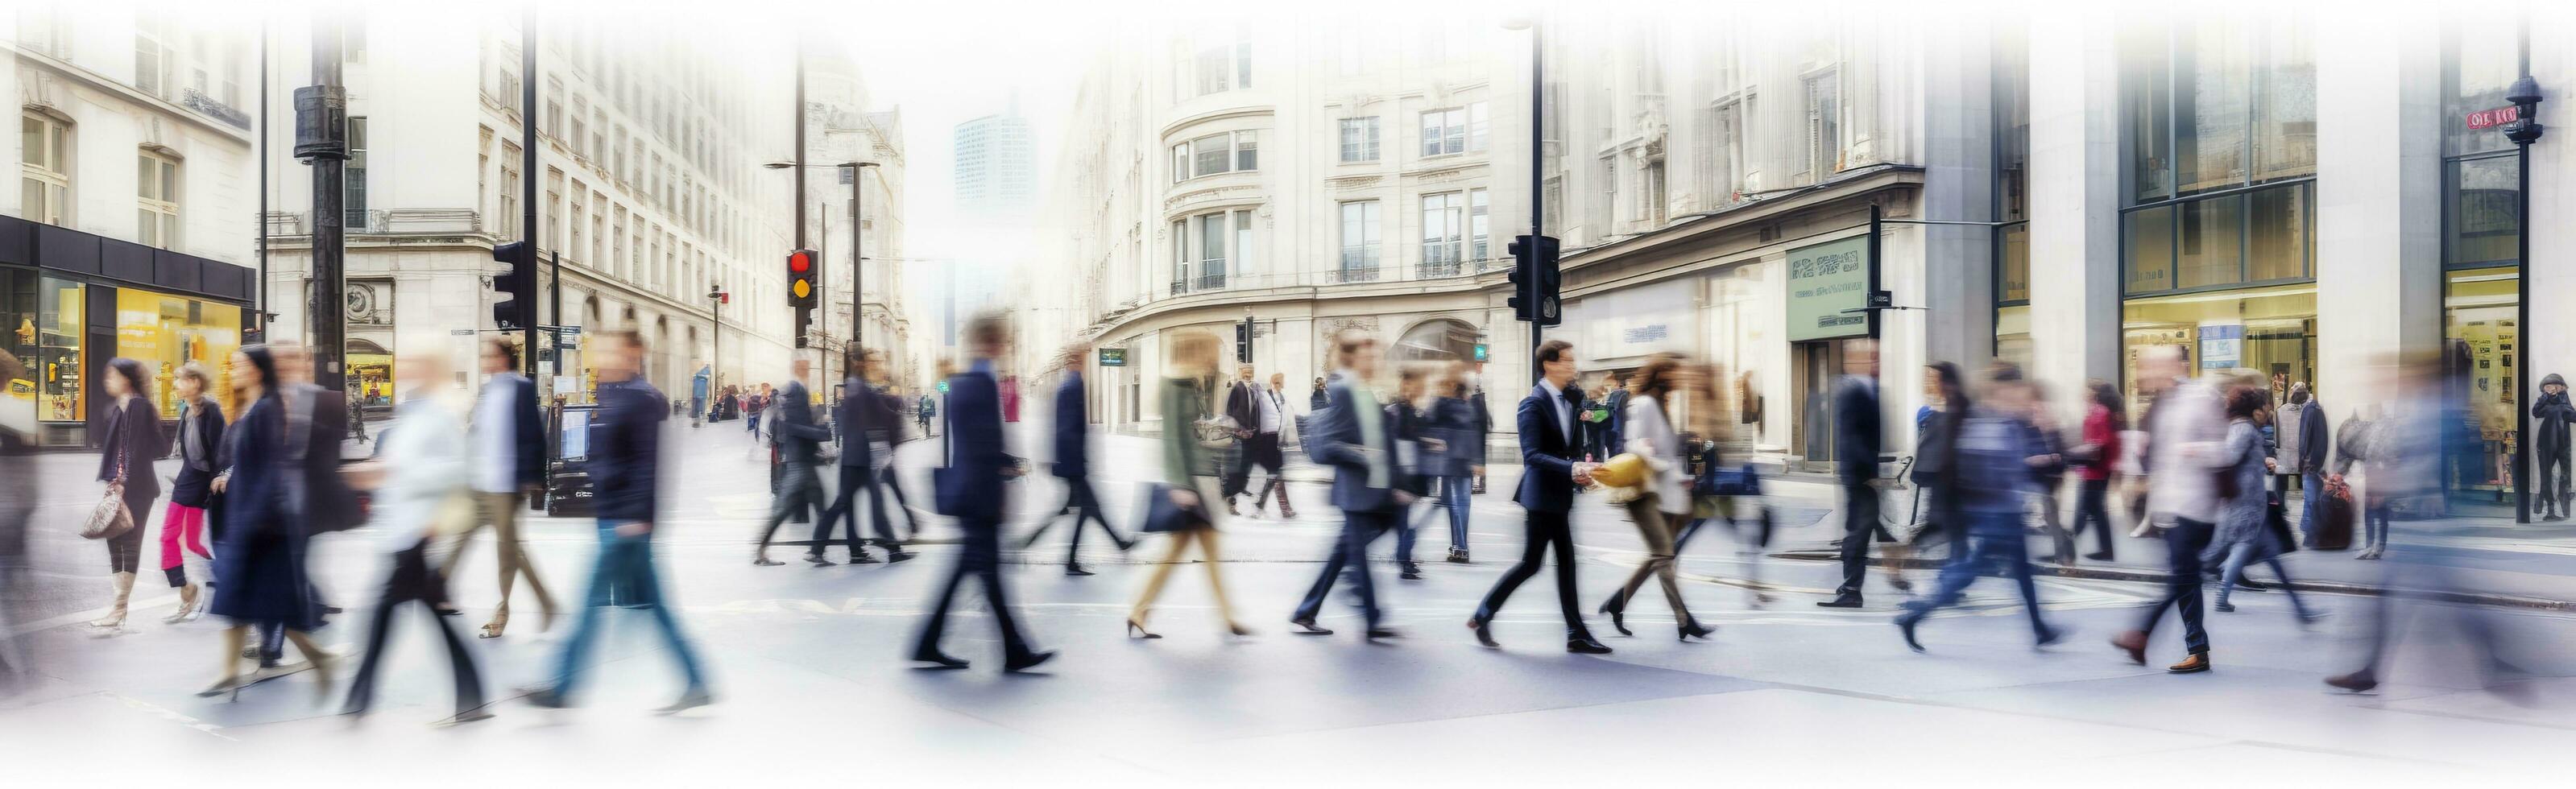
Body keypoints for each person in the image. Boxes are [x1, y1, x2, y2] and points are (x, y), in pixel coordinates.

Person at [526, 330, 713, 713]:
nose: (605, 360)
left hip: (625, 522)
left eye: (613, 352)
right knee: (656, 608)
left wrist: (638, 515)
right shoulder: (619, 396)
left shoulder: (642, 399)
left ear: (633, 356)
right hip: (616, 517)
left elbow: (648, 462)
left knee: (591, 604)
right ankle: (696, 681)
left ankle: (563, 688)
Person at [338, 344, 491, 724]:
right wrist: (378, 470)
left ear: (431, 367)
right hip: (403, 531)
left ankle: (359, 697)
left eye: (413, 360)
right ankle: (469, 698)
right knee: (411, 617)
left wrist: (393, 473)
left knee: (382, 618)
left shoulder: (440, 412)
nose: (403, 365)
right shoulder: (414, 409)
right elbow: (404, 464)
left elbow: (455, 469)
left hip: (418, 532)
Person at [913, 314, 1054, 672]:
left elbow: (976, 442)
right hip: (979, 496)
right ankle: (1012, 649)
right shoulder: (981, 382)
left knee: (973, 573)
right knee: (989, 576)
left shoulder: (965, 382)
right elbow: (982, 446)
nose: (1007, 347)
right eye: (1005, 341)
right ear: (993, 343)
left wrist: (1009, 463)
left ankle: (930, 642)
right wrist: (1003, 483)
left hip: (972, 492)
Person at [199, 345, 335, 701]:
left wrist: (251, 520)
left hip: (264, 527)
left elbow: (272, 471)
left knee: (263, 603)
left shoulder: (268, 408)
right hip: (251, 521)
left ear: (258, 370)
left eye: (240, 365)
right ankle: (230, 672)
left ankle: (319, 658)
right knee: (238, 600)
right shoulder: (253, 407)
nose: (233, 370)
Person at [1895, 364, 2062, 651]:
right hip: (1996, 513)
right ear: (2002, 389)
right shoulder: (1988, 421)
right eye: (2015, 388)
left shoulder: (2001, 419)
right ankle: (1914, 613)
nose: (2021, 394)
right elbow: (1991, 469)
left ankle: (2040, 628)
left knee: (2022, 573)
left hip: (2004, 509)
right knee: (1966, 572)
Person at [1466, 339, 1613, 654]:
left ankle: (1573, 632)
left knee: (1550, 564)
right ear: (1549, 364)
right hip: (1541, 496)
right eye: (1567, 361)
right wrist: (1571, 468)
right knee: (1538, 564)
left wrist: (1580, 470)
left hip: (1558, 494)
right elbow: (1532, 456)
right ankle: (1489, 614)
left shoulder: (1570, 400)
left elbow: (1569, 447)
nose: (1573, 366)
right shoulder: (1532, 404)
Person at [1289, 329, 1411, 640]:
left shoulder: (1363, 390)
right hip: (1355, 490)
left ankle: (1307, 610)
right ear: (1352, 358)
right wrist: (1362, 456)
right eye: (1368, 356)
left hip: (1374, 488)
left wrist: (1395, 481)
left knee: (1344, 553)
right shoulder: (1344, 389)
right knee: (1356, 556)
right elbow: (1328, 444)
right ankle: (1372, 619)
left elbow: (1381, 439)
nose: (1375, 361)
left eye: (1376, 356)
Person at [1126, 333, 1250, 639]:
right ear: (1195, 350)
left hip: (1201, 479)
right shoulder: (1173, 384)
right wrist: (1180, 484)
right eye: (1210, 349)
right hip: (1190, 483)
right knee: (1200, 554)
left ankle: (1140, 612)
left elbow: (1197, 430)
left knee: (1190, 553)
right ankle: (1227, 616)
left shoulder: (1196, 383)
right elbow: (1172, 439)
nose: (1215, 356)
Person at [2111, 345, 2225, 674]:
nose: (2147, 374)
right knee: (2186, 579)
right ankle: (2196, 649)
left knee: (2183, 578)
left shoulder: (2201, 398)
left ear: (2179, 365)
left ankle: (2142, 633)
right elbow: (2152, 458)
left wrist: (2194, 449)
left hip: (2197, 505)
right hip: (2171, 506)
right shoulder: (2160, 406)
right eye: (2144, 368)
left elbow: (2224, 449)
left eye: (2154, 367)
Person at [1597, 354, 1717, 641]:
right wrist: (1662, 463)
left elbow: (1664, 450)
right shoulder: (1643, 404)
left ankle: (1618, 602)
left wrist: (1681, 476)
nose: (1679, 380)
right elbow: (1635, 444)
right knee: (1664, 555)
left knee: (1660, 555)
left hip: (1666, 490)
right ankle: (1684, 619)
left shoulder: (1663, 405)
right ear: (1661, 375)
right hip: (1645, 492)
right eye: (1675, 374)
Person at [443, 337, 557, 638]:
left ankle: (528, 606)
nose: (485, 360)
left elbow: (535, 436)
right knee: (461, 536)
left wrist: (535, 480)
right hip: (479, 483)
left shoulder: (520, 388)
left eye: (490, 355)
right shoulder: (487, 391)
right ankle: (436, 588)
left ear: (504, 358)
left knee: (508, 554)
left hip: (505, 485)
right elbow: (477, 435)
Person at [2209, 386, 2318, 621]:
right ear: (2255, 410)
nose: (2269, 409)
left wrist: (2263, 462)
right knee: (2247, 551)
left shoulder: (2245, 429)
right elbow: (2230, 458)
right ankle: (2221, 591)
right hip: (2248, 504)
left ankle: (2302, 610)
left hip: (2253, 504)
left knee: (2271, 558)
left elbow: (2240, 460)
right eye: (2265, 405)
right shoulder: (2245, 430)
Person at [1024, 342, 1129, 574]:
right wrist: (1076, 465)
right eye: (1083, 357)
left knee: (1085, 509)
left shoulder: (1067, 384)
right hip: (1072, 463)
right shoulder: (1073, 385)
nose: (1085, 361)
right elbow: (1068, 429)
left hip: (1069, 462)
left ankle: (1107, 548)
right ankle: (1114, 546)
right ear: (1076, 360)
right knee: (1089, 508)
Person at [812, 350, 914, 565]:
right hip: (860, 458)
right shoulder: (859, 388)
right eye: (871, 361)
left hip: (855, 457)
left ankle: (849, 551)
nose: (875, 365)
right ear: (860, 363)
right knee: (867, 504)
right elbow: (881, 415)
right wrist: (900, 431)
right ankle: (891, 549)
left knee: (845, 505)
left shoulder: (856, 386)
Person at [89, 357, 168, 630]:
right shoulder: (119, 408)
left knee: (129, 543)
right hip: (118, 484)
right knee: (115, 540)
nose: (107, 379)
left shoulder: (139, 406)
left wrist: (123, 479)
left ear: (127, 378)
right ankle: (118, 608)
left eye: (113, 374)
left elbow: (142, 448)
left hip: (137, 487)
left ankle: (119, 609)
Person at [1820, 339, 1882, 609]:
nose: (1878, 363)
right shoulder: (1852, 391)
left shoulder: (1870, 389)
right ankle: (1851, 590)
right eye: (1873, 357)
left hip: (1864, 475)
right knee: (1858, 533)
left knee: (1861, 532)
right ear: (1855, 361)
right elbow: (1851, 437)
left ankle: (1852, 589)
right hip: (1859, 476)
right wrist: (1867, 472)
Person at [159, 362, 223, 623]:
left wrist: (217, 483)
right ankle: (185, 588)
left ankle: (218, 584)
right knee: (168, 535)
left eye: (180, 380)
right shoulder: (187, 409)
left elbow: (220, 452)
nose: (175, 385)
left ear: (195, 382)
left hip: (207, 480)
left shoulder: (212, 410)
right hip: (189, 476)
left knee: (196, 542)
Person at [756, 356, 834, 566]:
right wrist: (820, 433)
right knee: (788, 509)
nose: (807, 369)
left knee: (806, 507)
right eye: (803, 366)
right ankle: (813, 551)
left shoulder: (798, 389)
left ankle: (816, 551)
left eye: (807, 366)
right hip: (800, 462)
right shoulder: (793, 389)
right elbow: (792, 426)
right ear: (796, 368)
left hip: (804, 459)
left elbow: (798, 422)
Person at [1385, 366, 1436, 580]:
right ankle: (1403, 559)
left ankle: (1404, 558)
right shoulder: (1397, 411)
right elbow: (1396, 443)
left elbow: (1413, 437)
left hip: (1409, 472)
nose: (1421, 389)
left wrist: (1429, 442)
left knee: (1402, 521)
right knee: (1397, 521)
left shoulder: (1411, 409)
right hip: (1401, 473)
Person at [1424, 364, 1479, 563]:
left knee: (1452, 503)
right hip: (1465, 456)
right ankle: (1461, 546)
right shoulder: (1467, 400)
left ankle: (1460, 547)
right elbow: (1477, 426)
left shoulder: (1441, 399)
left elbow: (1429, 421)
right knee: (1463, 503)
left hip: (1448, 457)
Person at [2069, 381, 2126, 561]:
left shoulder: (2100, 412)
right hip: (2096, 468)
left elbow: (2102, 441)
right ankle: (2107, 551)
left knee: (2083, 513)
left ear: (2094, 392)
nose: (2082, 391)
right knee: (2096, 512)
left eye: (2086, 388)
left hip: (2095, 469)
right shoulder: (2098, 411)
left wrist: (2079, 452)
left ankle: (2062, 550)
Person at [1233, 372, 1294, 518]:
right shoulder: (1265, 397)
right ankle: (1279, 508)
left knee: (1275, 474)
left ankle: (1269, 506)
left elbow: (1282, 419)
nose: (1283, 383)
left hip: (1275, 440)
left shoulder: (1282, 398)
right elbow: (1256, 415)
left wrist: (1283, 437)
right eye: (1280, 381)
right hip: (1267, 440)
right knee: (1275, 473)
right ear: (1275, 382)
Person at [2029, 382, 2075, 565]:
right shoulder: (2047, 409)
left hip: (2047, 470)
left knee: (2049, 513)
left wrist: (2047, 458)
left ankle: (2065, 553)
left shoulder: (2039, 409)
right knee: (2049, 513)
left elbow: (2051, 441)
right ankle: (2063, 552)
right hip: (2051, 469)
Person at [2535, 374, 2573, 521]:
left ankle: (2565, 511)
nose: (2553, 389)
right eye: (2548, 386)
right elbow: (2535, 412)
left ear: (2562, 387)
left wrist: (2563, 398)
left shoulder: (2564, 402)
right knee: (2546, 477)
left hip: (2563, 445)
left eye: (2556, 386)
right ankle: (2549, 510)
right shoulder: (2545, 403)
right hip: (2545, 444)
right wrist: (2545, 397)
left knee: (2565, 477)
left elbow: (2573, 416)